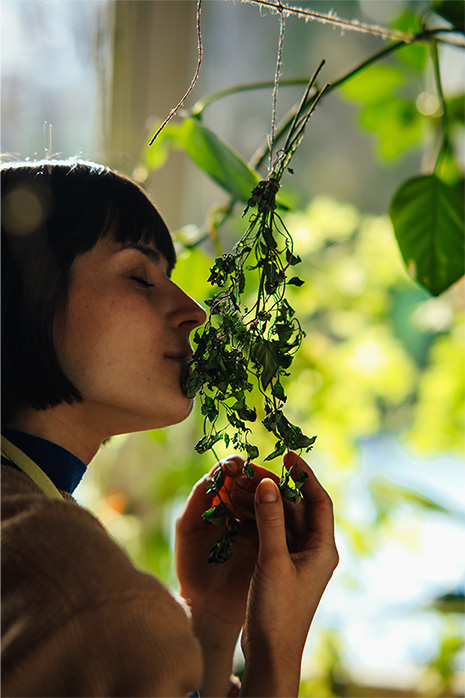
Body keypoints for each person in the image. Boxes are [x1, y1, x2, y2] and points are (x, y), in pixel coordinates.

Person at [1, 159, 338, 697]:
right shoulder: (78, 588)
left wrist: (211, 618)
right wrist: (277, 651)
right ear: (25, 289)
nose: (195, 311)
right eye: (140, 276)